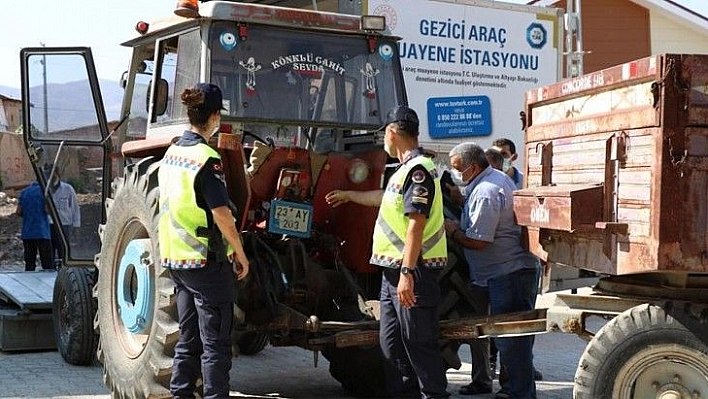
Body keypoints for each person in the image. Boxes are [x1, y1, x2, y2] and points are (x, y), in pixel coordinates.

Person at [325, 105, 449, 399]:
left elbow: (415, 225)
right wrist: (348, 195)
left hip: (413, 271)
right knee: (391, 344)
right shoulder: (403, 170)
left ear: (392, 133)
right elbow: (385, 198)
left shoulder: (419, 171)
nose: (383, 141)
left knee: (419, 344)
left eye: (384, 135)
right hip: (392, 273)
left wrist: (407, 273)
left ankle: (434, 394)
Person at [157, 83, 250, 399]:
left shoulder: (171, 154)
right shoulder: (206, 158)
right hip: (207, 264)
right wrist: (240, 253)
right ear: (214, 117)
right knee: (215, 346)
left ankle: (180, 394)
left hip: (178, 263)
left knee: (188, 340)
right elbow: (222, 215)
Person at [444, 142, 538, 399]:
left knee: (511, 341)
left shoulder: (486, 191)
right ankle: (513, 390)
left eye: (456, 169)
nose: (454, 174)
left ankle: (520, 394)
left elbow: (480, 241)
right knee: (510, 339)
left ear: (472, 167)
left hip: (508, 274)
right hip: (504, 273)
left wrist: (454, 232)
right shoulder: (491, 181)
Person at [16, 181, 53, 271]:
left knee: (29, 263)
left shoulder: (24, 192)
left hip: (27, 232)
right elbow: (47, 210)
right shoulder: (45, 192)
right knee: (47, 263)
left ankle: (29, 281)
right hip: (42, 232)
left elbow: (18, 212)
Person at [47, 171, 81, 264]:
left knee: (63, 251)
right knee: (50, 252)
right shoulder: (45, 190)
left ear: (58, 175)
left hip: (64, 225)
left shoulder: (68, 189)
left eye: (54, 174)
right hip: (49, 225)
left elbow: (75, 208)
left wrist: (76, 226)